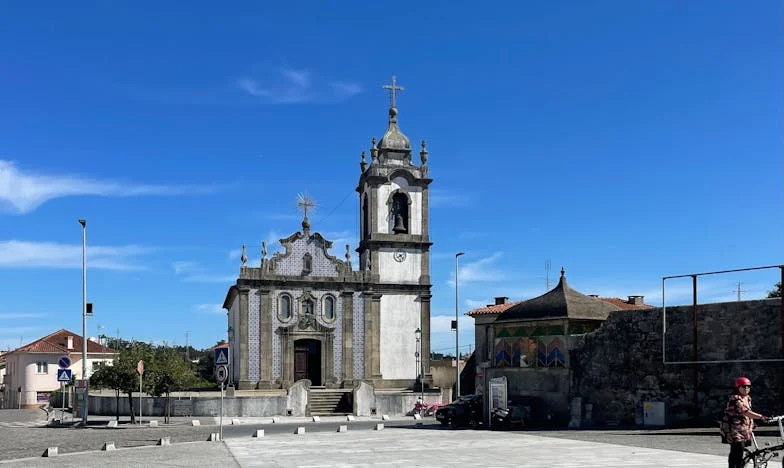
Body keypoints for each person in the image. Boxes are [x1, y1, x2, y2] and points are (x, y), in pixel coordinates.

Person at [722, 376, 768, 468]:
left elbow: (747, 413)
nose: (746, 388)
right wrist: (761, 417)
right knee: (738, 448)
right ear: (738, 388)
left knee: (738, 450)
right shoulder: (735, 399)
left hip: (744, 428)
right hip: (733, 429)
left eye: (748, 386)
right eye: (743, 386)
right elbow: (744, 411)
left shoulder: (747, 398)